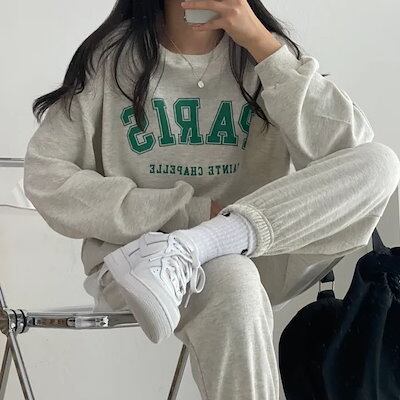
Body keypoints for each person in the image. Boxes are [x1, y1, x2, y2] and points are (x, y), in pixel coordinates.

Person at [23, 1, 400, 399]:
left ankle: (205, 242)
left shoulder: (264, 52)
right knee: (233, 279)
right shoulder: (111, 60)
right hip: (140, 262)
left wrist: (263, 46)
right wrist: (189, 213)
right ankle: (198, 245)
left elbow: (350, 155)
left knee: (380, 163)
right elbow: (47, 177)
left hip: (259, 252)